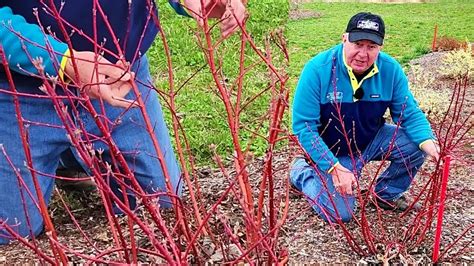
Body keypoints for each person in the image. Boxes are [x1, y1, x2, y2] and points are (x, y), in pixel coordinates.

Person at [0, 0, 246, 244]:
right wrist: (61, 60)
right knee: (12, 232)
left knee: (160, 203)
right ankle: (66, 152)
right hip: (20, 87)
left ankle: (72, 156)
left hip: (120, 76)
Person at [290, 12, 439, 223]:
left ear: (380, 47)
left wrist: (429, 143)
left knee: (415, 145)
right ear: (344, 39)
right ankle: (301, 173)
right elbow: (304, 128)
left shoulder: (390, 70)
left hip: (372, 139)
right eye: (358, 44)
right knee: (339, 213)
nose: (363, 53)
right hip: (336, 149)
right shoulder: (317, 70)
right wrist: (334, 167)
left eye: (371, 47)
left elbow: (408, 113)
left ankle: (385, 195)